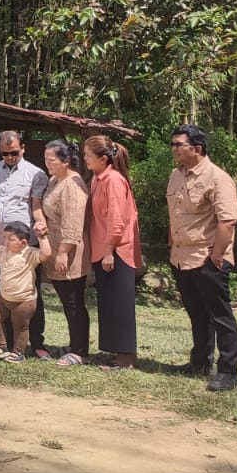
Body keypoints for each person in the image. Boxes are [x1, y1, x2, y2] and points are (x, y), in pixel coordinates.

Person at [166, 124, 237, 392]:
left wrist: (216, 257)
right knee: (197, 314)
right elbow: (174, 214)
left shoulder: (217, 178)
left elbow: (227, 222)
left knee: (220, 316)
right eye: (173, 144)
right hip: (181, 257)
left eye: (178, 145)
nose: (173, 149)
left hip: (207, 258)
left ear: (196, 149)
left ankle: (229, 371)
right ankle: (199, 363)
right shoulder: (176, 176)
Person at [0, 131, 50, 357]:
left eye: (14, 153)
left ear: (24, 148)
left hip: (24, 247)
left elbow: (37, 206)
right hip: (0, 244)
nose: (10, 157)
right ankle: (6, 343)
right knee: (3, 292)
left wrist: (41, 228)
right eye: (5, 153)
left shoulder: (35, 174)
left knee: (30, 294)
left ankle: (37, 343)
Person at [84, 134, 142, 371]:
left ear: (104, 158)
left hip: (116, 250)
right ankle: (115, 351)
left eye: (88, 156)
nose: (85, 159)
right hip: (102, 249)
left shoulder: (114, 181)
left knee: (120, 304)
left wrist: (110, 251)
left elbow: (117, 220)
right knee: (108, 302)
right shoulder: (98, 178)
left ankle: (126, 356)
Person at [38, 139, 90, 366]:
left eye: (51, 160)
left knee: (73, 300)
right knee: (66, 299)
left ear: (65, 161)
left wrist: (62, 252)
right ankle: (73, 344)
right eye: (46, 160)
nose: (47, 164)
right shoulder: (54, 180)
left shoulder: (72, 184)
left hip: (69, 250)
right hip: (54, 247)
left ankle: (80, 351)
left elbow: (73, 222)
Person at [0, 222, 54, 362]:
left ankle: (18, 352)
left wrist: (42, 237)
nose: (6, 242)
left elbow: (46, 254)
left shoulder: (30, 253)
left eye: (11, 239)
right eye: (5, 238)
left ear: (23, 242)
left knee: (20, 326)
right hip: (4, 297)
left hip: (24, 300)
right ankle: (2, 346)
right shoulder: (3, 251)